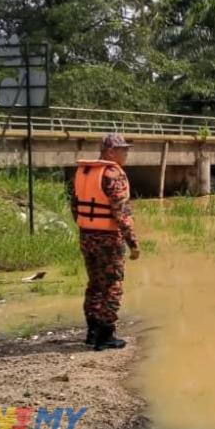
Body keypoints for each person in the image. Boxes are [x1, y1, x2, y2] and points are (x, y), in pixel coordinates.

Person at [69, 133, 140, 350]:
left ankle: (92, 332)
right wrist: (133, 243)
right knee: (112, 285)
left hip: (87, 235)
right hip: (109, 239)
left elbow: (74, 206)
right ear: (110, 151)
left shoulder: (83, 172)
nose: (126, 153)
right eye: (123, 149)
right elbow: (121, 213)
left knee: (95, 285)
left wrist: (85, 228)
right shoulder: (112, 174)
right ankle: (106, 335)